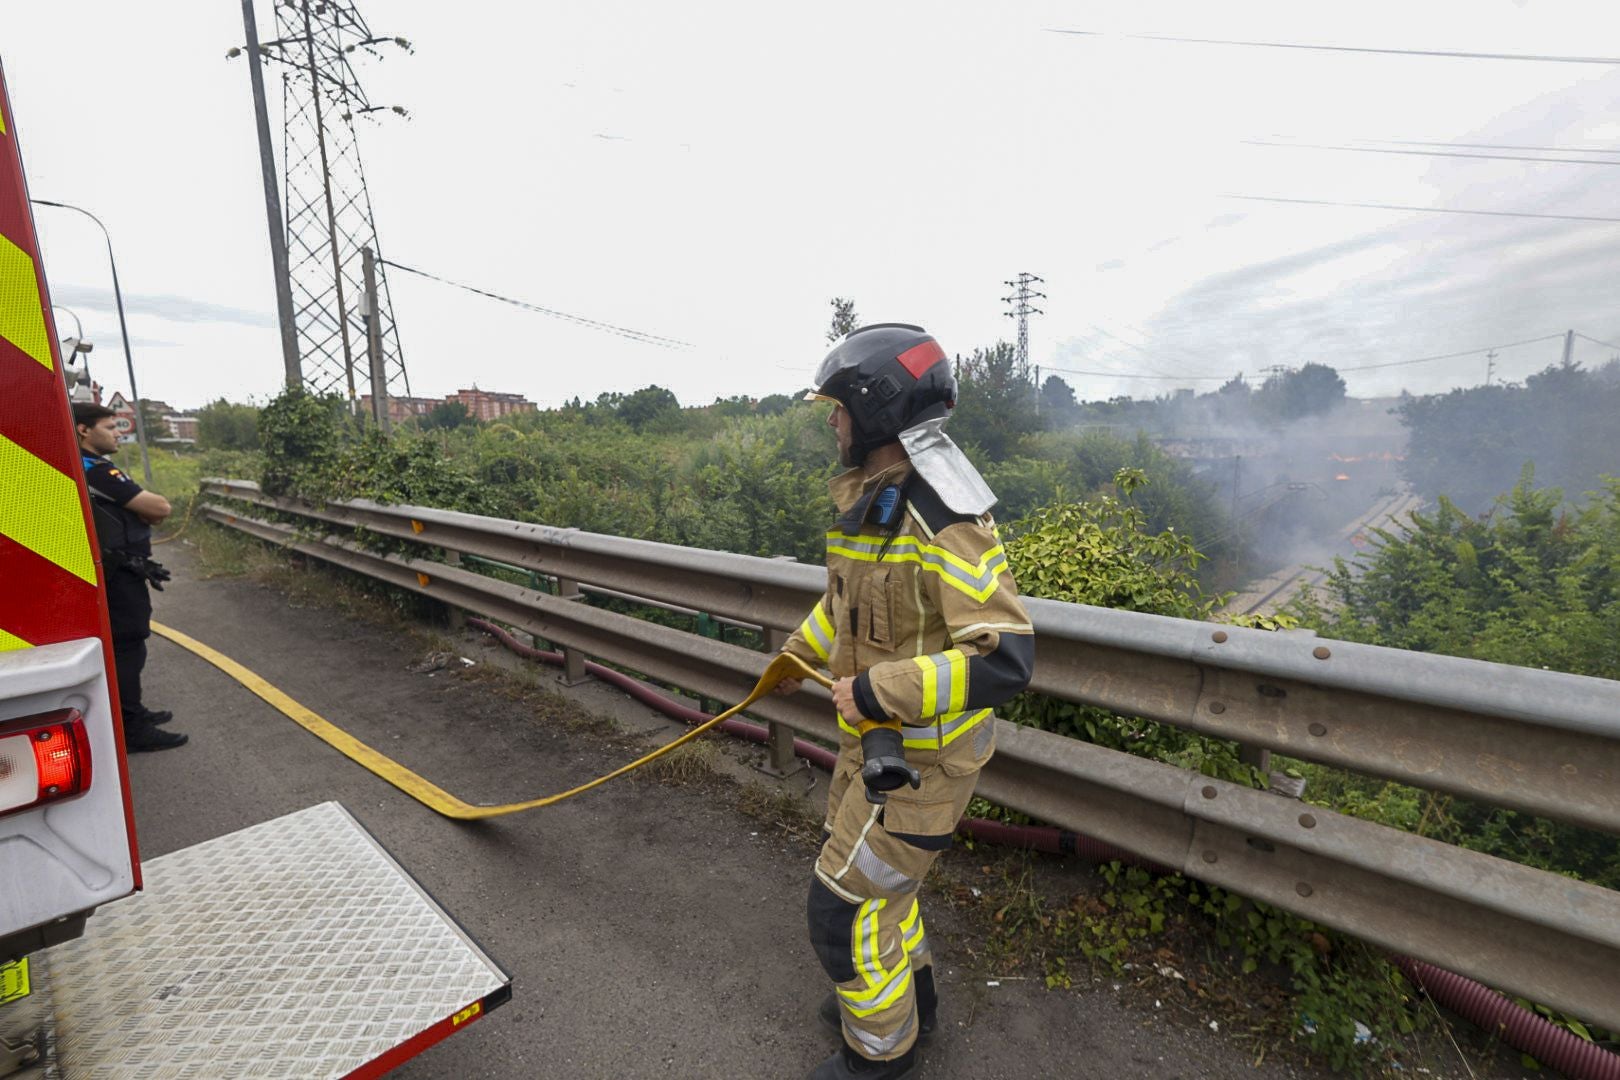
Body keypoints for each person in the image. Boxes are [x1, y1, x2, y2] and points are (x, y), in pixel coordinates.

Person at [776, 324, 1035, 1079]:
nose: (832, 423)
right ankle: (906, 999)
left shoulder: (942, 517)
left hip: (923, 761)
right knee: (886, 894)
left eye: (837, 408)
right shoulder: (872, 502)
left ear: (874, 410)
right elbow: (848, 606)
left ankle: (882, 1057)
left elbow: (1006, 656)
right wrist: (797, 654)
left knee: (844, 910)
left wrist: (871, 690)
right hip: (876, 747)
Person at [71, 403, 187, 752]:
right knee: (128, 645)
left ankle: (130, 715)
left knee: (126, 645)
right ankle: (131, 728)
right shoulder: (95, 470)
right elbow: (159, 509)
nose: (118, 431)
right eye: (110, 426)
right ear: (83, 430)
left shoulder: (92, 467)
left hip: (120, 567)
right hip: (120, 572)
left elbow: (147, 512)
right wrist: (144, 509)